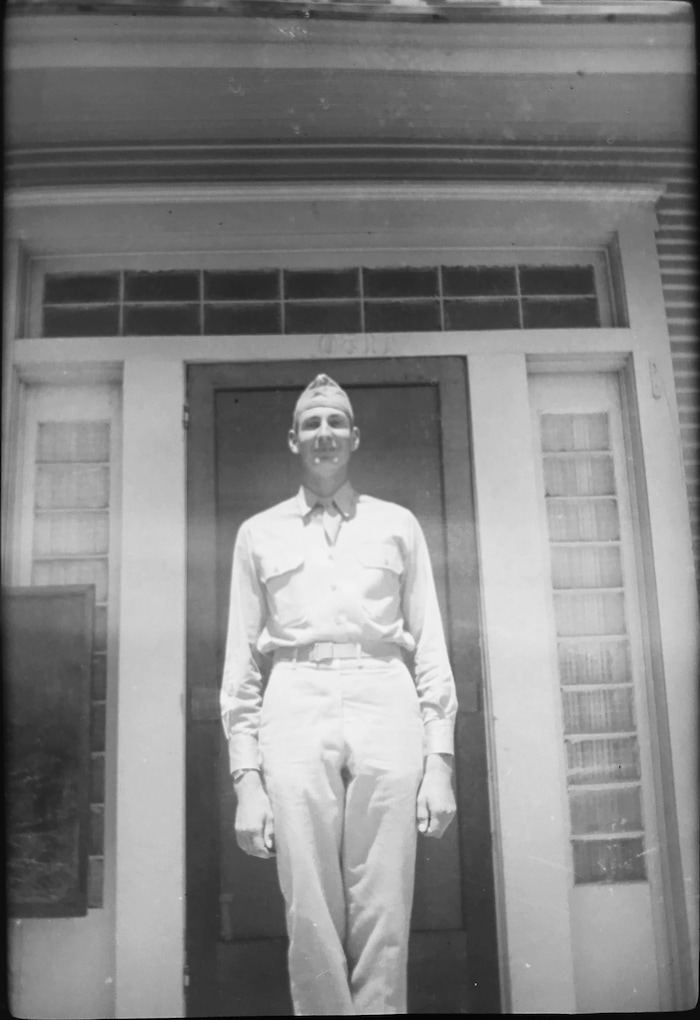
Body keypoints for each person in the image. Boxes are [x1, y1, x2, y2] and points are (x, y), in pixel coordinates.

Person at [220, 373, 457, 1016]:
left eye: (335, 423)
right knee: (309, 899)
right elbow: (240, 663)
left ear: (354, 436)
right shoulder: (258, 534)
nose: (323, 434)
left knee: (384, 895)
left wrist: (440, 761)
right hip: (294, 692)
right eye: (311, 424)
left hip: (385, 688)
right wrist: (247, 779)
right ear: (293, 439)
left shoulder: (397, 525)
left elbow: (429, 641)